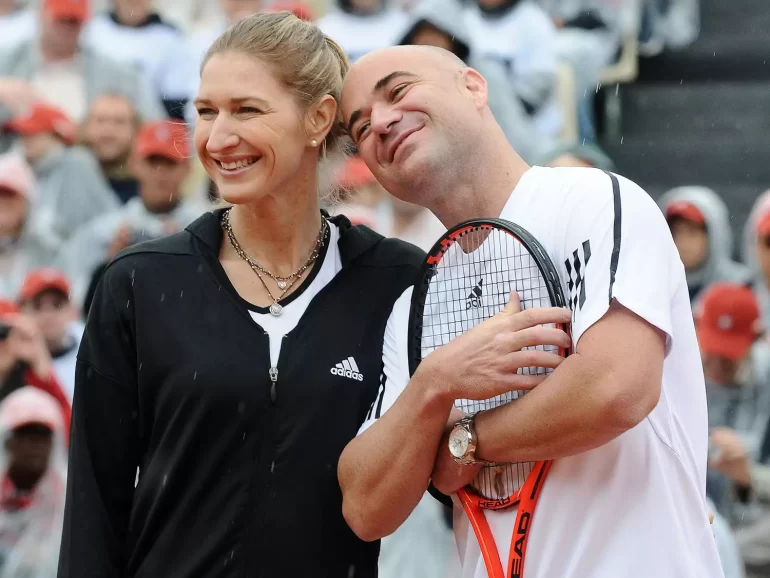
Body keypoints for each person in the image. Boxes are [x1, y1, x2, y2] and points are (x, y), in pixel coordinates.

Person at [55, 13, 528, 578]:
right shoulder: (136, 283)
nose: (218, 137)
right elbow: (93, 514)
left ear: (318, 119)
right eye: (206, 112)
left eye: (246, 110)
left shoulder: (401, 281)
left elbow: (443, 484)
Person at [338, 45, 722, 578]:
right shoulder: (415, 304)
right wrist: (435, 384)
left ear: (473, 86)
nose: (379, 122)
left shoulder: (592, 199)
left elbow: (616, 387)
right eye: (359, 127)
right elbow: (364, 505)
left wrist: (463, 441)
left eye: (398, 91)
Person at [0, 386, 67, 578]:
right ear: (7, 440)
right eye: (25, 434)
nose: (35, 445)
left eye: (43, 435)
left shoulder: (67, 498)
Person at [659, 186, 752, 306]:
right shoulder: (651, 290)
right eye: (675, 233)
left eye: (692, 232)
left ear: (715, 235)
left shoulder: (744, 288)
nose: (682, 242)